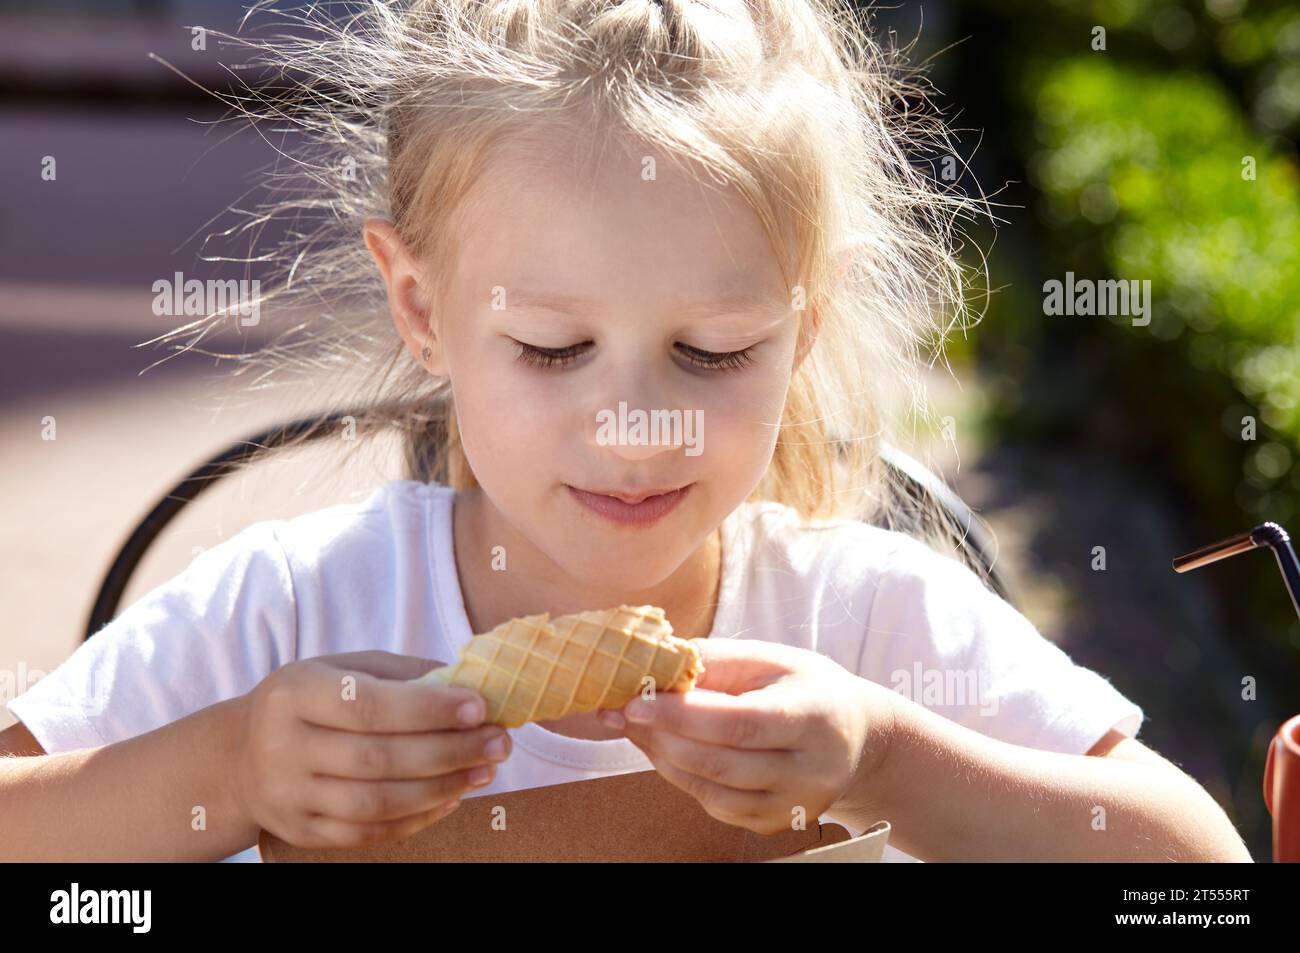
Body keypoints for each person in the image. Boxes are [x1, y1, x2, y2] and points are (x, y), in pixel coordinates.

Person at [0, 0, 1250, 862]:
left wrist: (888, 761)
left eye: (713, 352)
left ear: (801, 330)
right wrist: (228, 766)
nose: (638, 427)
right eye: (551, 349)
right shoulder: (289, 614)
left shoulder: (870, 626)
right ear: (421, 307)